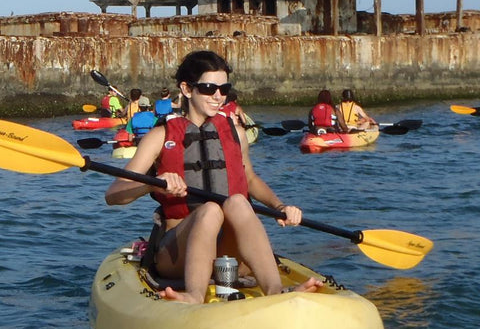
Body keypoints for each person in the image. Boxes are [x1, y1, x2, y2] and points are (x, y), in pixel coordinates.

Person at [105, 50, 320, 303]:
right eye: (208, 88)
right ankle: (195, 295)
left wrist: (280, 206)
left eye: (223, 88)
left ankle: (274, 292)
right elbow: (113, 195)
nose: (218, 96)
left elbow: (249, 179)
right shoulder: (161, 135)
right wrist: (154, 185)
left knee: (238, 201)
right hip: (176, 252)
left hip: (227, 252)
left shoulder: (235, 132)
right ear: (186, 89)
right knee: (210, 210)